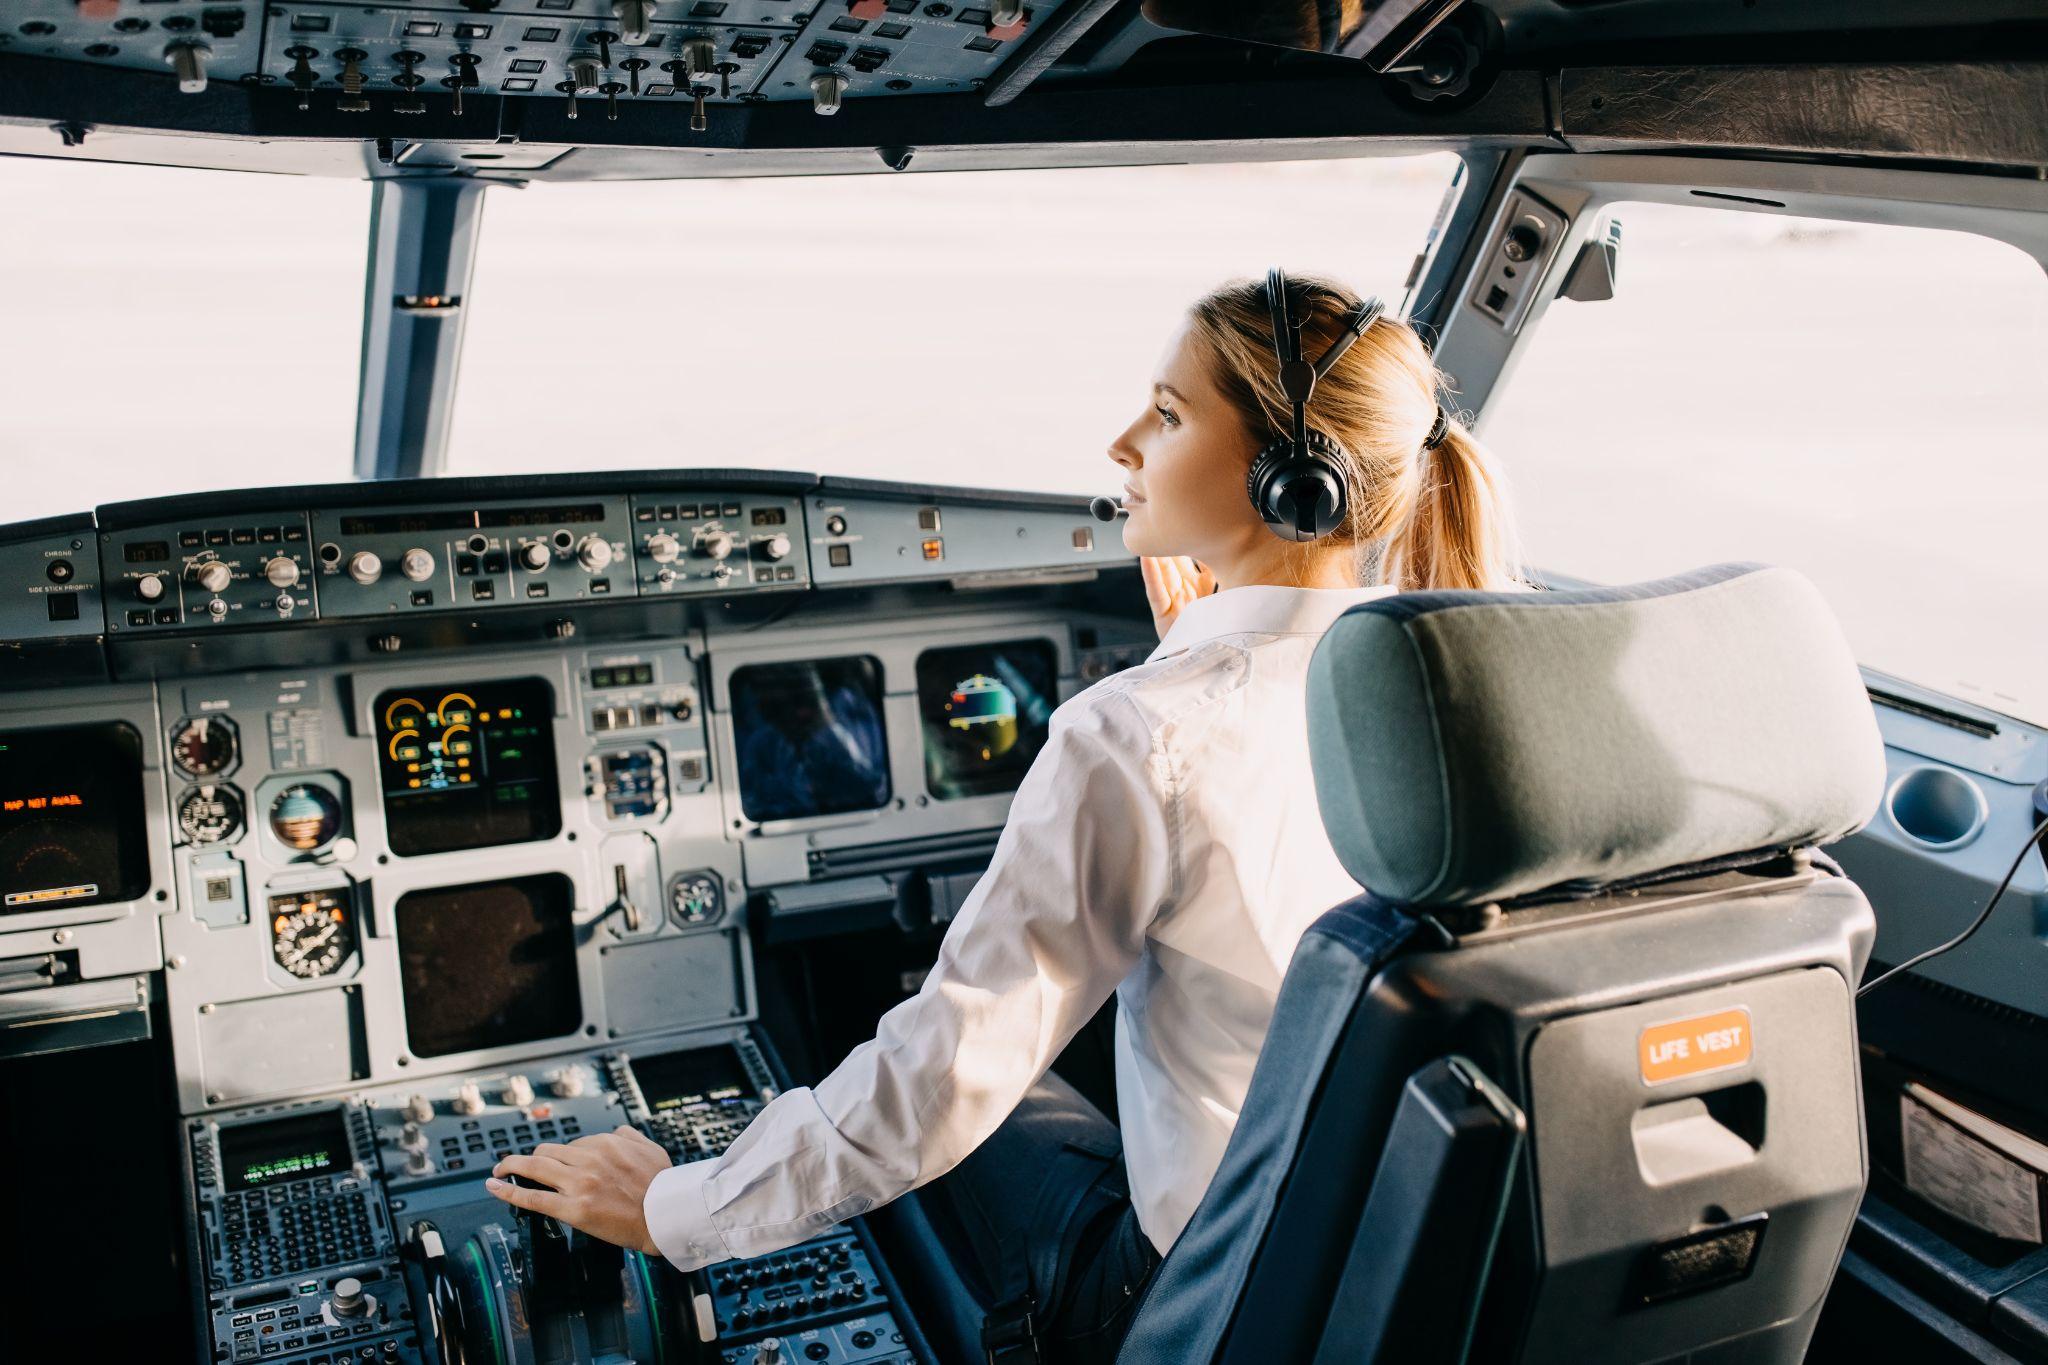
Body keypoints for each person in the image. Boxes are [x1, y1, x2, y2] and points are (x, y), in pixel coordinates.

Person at [483, 272, 1523, 1362]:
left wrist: (674, 1209)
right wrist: (1212, 629)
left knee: (911, 1055)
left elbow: (944, 1079)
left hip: (1203, 1298)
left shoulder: (1140, 734)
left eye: (1167, 415)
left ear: (1286, 479)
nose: (1123, 444)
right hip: (1407, 1259)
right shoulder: (1466, 680)